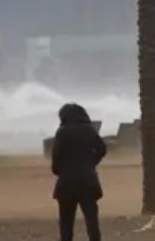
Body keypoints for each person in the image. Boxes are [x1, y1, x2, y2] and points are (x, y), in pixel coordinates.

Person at [51, 103, 107, 241]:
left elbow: (56, 156)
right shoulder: (90, 130)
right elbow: (102, 149)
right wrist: (91, 163)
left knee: (66, 222)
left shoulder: (62, 132)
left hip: (66, 182)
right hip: (88, 180)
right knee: (92, 220)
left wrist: (59, 170)